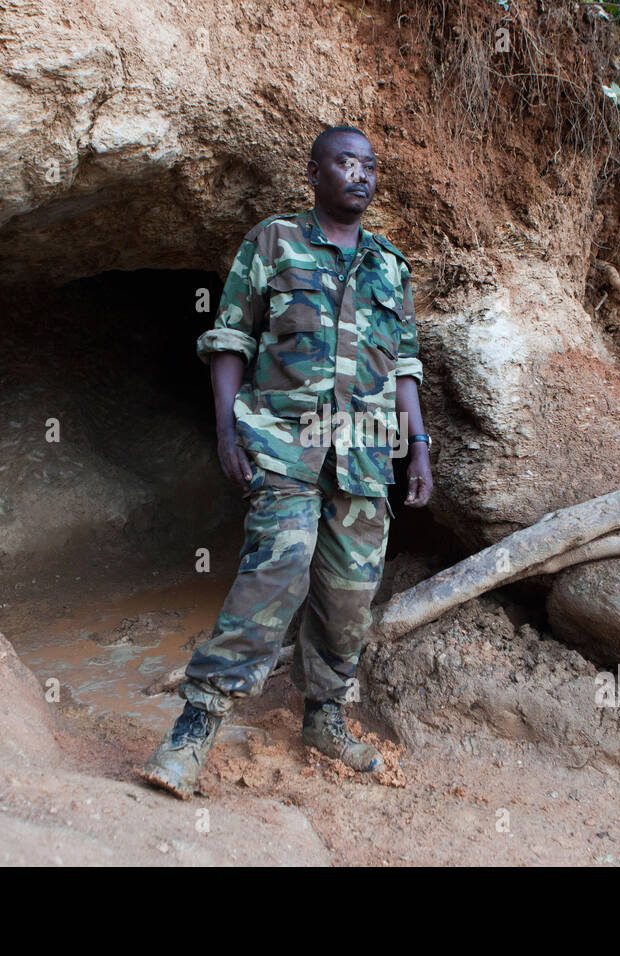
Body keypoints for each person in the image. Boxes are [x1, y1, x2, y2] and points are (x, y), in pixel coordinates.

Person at [138, 125, 434, 799]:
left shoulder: (390, 266)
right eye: (345, 163)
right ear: (314, 173)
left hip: (365, 458)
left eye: (369, 165)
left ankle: (324, 719)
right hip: (283, 445)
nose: (360, 175)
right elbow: (229, 337)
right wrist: (225, 429)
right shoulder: (274, 242)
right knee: (277, 571)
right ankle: (193, 728)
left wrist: (418, 446)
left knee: (350, 596)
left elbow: (405, 366)